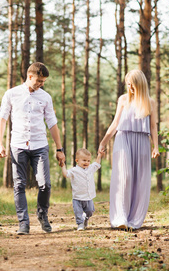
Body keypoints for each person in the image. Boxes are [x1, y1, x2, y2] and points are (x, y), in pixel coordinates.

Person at [0, 62, 66, 235]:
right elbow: (2, 119)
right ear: (30, 76)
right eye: (39, 81)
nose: (41, 84)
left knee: (45, 184)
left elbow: (52, 123)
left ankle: (42, 215)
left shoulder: (46, 97)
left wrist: (59, 148)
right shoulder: (11, 94)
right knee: (19, 185)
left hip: (39, 145)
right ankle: (23, 223)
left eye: (43, 82)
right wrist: (0, 143)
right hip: (18, 145)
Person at [98, 69, 160, 230]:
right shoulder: (123, 99)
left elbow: (153, 126)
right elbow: (115, 123)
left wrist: (156, 146)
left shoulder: (150, 102)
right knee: (123, 177)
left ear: (140, 85)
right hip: (122, 138)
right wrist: (104, 142)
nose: (130, 88)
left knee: (140, 180)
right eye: (128, 85)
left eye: (132, 85)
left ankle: (134, 220)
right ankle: (120, 218)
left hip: (142, 141)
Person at [61, 148, 103, 231]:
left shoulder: (90, 168)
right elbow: (66, 174)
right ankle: (80, 224)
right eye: (84, 160)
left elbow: (97, 164)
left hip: (88, 197)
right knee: (78, 212)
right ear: (77, 160)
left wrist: (100, 155)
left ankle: (86, 219)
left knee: (90, 211)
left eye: (88, 160)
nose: (86, 162)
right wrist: (63, 165)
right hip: (77, 197)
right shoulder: (74, 170)